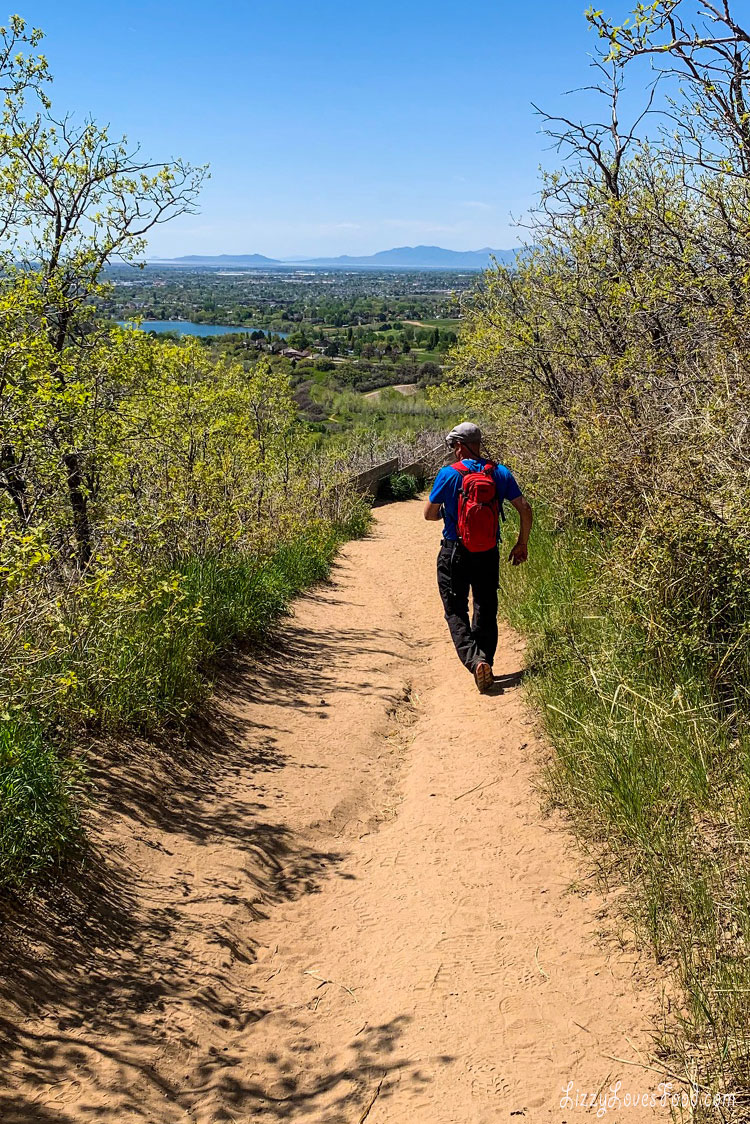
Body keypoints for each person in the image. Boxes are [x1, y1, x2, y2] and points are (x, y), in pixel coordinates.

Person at [424, 421, 533, 693]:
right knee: (486, 608)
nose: (452, 451)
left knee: (455, 609)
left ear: (460, 446)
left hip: (454, 552)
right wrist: (522, 544)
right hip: (487, 552)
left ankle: (475, 661)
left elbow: (428, 513)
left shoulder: (448, 474)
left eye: (452, 446)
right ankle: (486, 659)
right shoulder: (499, 472)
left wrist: (445, 513)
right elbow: (524, 508)